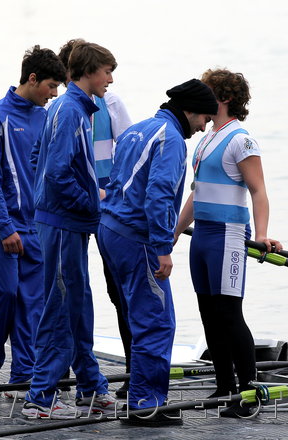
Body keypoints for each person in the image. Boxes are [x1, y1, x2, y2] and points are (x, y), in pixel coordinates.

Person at [97, 79, 218, 426]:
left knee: (137, 317)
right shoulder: (172, 139)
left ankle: (139, 396)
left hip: (110, 230)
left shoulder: (137, 130)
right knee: (157, 321)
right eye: (204, 119)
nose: (204, 126)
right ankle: (146, 405)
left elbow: (114, 181)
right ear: (190, 110)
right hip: (137, 239)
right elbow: (160, 196)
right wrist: (164, 248)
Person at [174, 68, 283, 418]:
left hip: (229, 236)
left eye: (208, 92)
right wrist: (175, 230)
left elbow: (259, 191)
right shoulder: (206, 138)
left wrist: (263, 234)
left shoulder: (241, 139)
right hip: (203, 235)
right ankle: (224, 387)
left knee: (229, 314)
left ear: (224, 98)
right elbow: (197, 192)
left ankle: (249, 395)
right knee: (208, 312)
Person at [22, 40, 118, 419]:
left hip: (68, 223)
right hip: (62, 224)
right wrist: (94, 200)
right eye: (107, 71)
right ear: (90, 72)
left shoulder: (75, 108)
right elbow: (57, 174)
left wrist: (90, 195)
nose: (110, 80)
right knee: (59, 308)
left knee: (79, 306)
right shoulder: (71, 111)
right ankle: (39, 398)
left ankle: (91, 386)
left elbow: (38, 158)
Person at [0, 46, 66, 391]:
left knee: (32, 302)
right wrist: (4, 227)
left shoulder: (45, 117)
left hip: (34, 225)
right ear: (32, 78)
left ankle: (24, 372)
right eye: (51, 86)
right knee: (6, 293)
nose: (54, 94)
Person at [57, 40, 135, 398]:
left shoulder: (110, 103)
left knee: (117, 290)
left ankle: (136, 370)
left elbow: (129, 151)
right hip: (77, 207)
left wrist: (114, 197)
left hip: (107, 207)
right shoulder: (61, 109)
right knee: (69, 292)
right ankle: (69, 375)